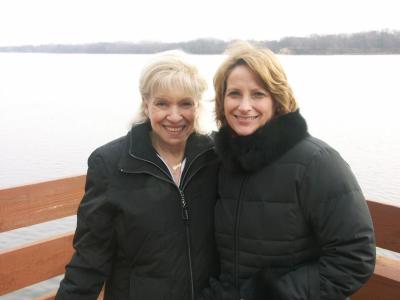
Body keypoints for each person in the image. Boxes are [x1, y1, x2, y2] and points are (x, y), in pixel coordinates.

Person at [201, 42, 376, 300]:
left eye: (258, 94)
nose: (244, 106)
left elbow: (355, 256)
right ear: (222, 99)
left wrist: (274, 294)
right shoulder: (221, 161)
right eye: (234, 93)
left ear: (277, 99)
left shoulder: (316, 162)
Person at [56, 52, 219, 300]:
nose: (174, 116)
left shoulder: (214, 158)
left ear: (197, 104)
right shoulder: (111, 164)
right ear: (146, 103)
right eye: (162, 103)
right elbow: (90, 259)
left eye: (185, 103)